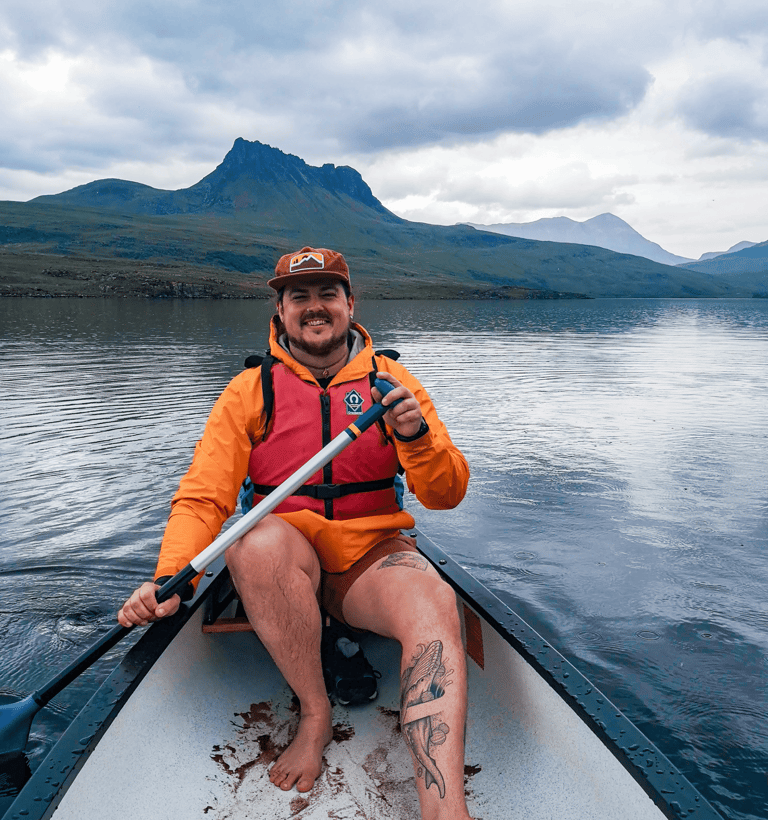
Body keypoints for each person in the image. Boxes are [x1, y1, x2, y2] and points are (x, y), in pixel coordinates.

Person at [118, 246, 472, 820]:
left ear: (349, 303)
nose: (314, 307)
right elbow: (204, 496)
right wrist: (172, 578)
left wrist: (418, 438)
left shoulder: (394, 383)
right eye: (298, 297)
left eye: (327, 294)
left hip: (371, 557)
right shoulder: (249, 390)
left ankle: (444, 810)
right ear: (280, 312)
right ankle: (315, 714)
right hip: (286, 561)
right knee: (250, 541)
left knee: (435, 602)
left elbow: (446, 494)